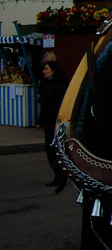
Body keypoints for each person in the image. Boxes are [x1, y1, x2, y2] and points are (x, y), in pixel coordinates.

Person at [35, 61, 68, 193]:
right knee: (49, 149)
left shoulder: (60, 86)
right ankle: (57, 175)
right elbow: (44, 106)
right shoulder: (45, 85)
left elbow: (61, 106)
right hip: (48, 122)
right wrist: (40, 121)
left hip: (57, 123)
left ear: (53, 70)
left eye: (47, 69)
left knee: (55, 149)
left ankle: (61, 175)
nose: (44, 71)